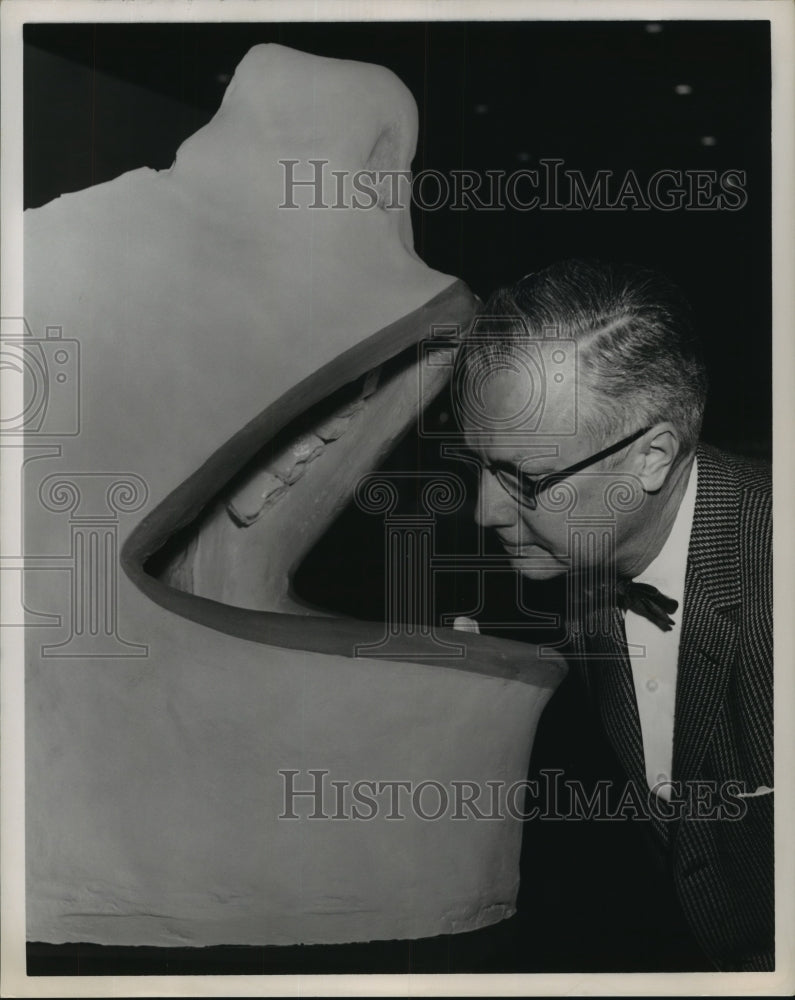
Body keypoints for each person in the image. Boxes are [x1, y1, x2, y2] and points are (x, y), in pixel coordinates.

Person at [450, 259, 773, 972]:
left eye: (524, 479)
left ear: (652, 456)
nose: (485, 511)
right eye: (477, 465)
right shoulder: (581, 563)